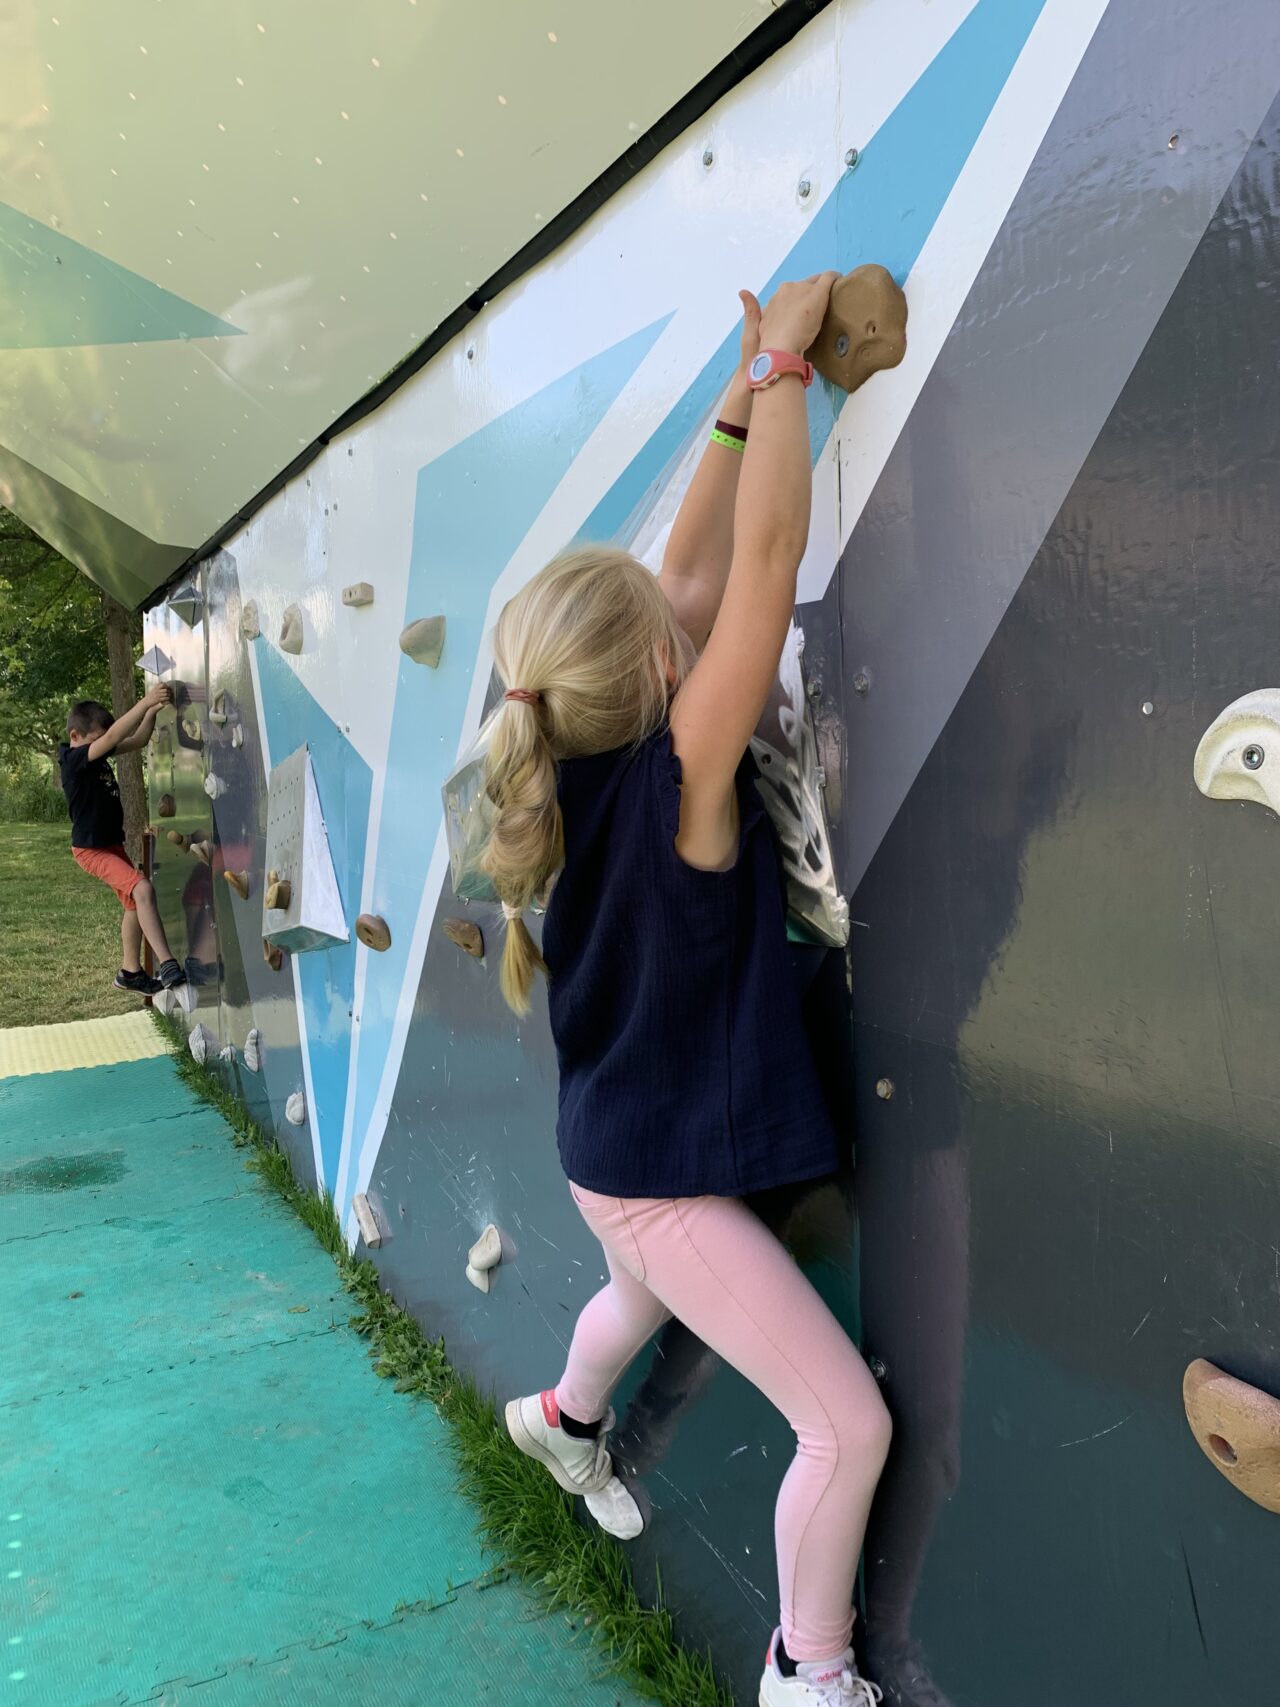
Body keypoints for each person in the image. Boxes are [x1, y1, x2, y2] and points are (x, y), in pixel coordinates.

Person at [487, 275, 894, 1707]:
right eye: (677, 622)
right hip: (659, 1179)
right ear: (666, 668)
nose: (691, 607)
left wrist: (735, 405)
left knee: (635, 1295)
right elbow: (762, 569)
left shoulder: (570, 766)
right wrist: (787, 364)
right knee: (845, 1422)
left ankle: (559, 1415)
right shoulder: (677, 781)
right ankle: (810, 1665)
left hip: (609, 1154)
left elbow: (703, 575)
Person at [58, 690, 187, 996]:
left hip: (109, 845)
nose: (103, 746)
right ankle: (167, 963)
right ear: (75, 736)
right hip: (91, 850)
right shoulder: (74, 759)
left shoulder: (95, 753)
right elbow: (115, 734)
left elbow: (139, 739)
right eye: (97, 740)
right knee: (142, 889)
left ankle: (130, 972)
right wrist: (144, 701)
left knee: (133, 904)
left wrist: (152, 711)